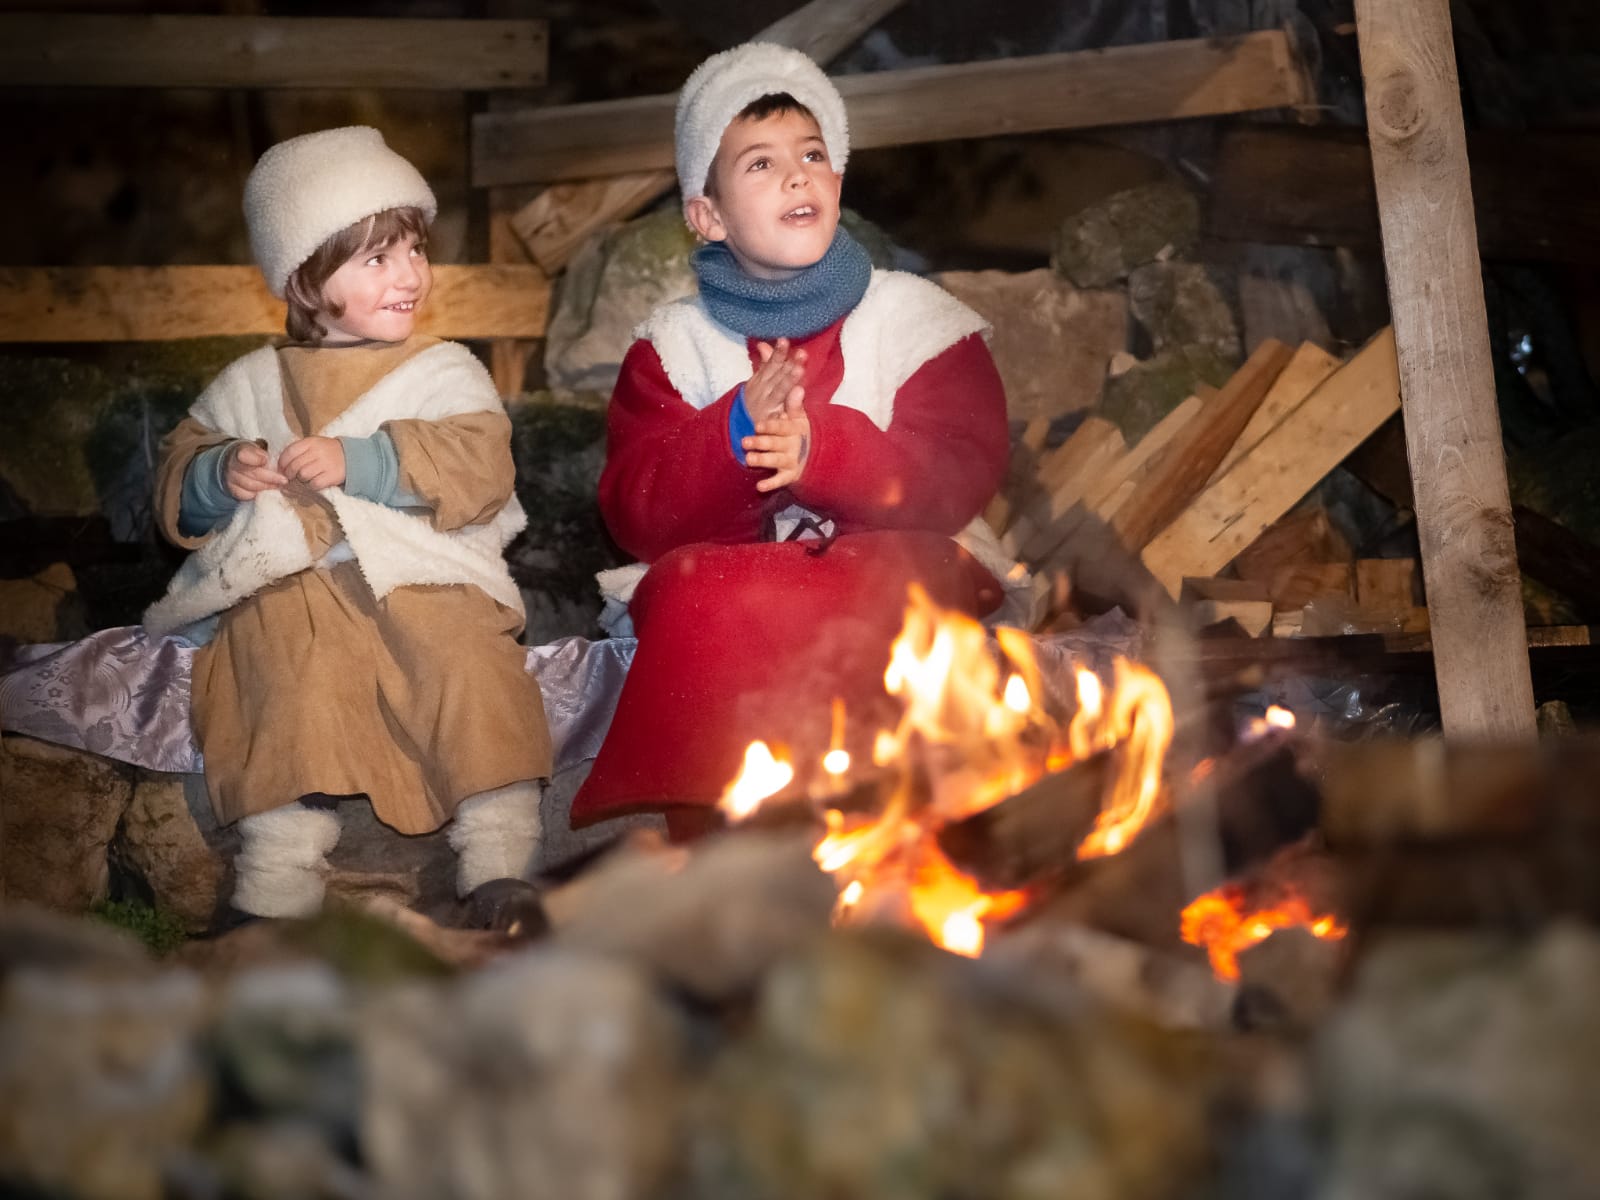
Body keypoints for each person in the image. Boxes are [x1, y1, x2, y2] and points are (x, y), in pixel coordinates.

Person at [571, 43, 1025, 835]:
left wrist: (828, 455)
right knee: (695, 589)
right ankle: (731, 840)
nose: (795, 175)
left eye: (813, 154)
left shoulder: (916, 321)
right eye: (759, 163)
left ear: (838, 183)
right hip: (740, 574)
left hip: (895, 556)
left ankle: (893, 827)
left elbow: (959, 468)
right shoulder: (673, 349)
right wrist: (735, 434)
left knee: (896, 582)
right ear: (706, 216)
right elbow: (637, 510)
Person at [144, 126, 552, 926]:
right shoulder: (251, 384)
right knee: (272, 672)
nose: (409, 275)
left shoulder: (444, 370)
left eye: (412, 251)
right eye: (376, 258)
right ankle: (276, 882)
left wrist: (363, 463)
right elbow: (175, 485)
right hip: (291, 586)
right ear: (303, 282)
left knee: (469, 665)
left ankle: (501, 864)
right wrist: (219, 475)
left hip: (424, 578)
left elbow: (480, 468)